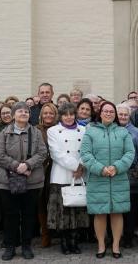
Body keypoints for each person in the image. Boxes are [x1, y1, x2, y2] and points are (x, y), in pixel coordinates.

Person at [81, 101, 136, 259]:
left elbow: (129, 153)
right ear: (100, 113)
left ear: (115, 115)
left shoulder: (123, 132)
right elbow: (85, 154)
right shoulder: (91, 132)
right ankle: (101, 245)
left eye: (112, 111)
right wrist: (100, 168)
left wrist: (116, 167)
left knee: (117, 212)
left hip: (118, 178)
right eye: (106, 111)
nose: (108, 114)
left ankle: (116, 245)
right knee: (100, 213)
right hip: (98, 178)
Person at [0, 101, 49, 260]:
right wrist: (16, 166)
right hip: (7, 180)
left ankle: (26, 245)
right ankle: (10, 246)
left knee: (28, 215)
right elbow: (0, 155)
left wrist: (27, 165)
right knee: (10, 215)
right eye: (20, 111)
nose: (24, 113)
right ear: (13, 115)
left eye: (26, 111)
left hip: (31, 181)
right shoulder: (4, 133)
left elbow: (42, 153)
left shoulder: (36, 133)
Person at [46, 102, 89, 255]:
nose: (69, 117)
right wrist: (75, 166)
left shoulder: (84, 130)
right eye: (66, 114)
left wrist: (81, 166)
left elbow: (87, 150)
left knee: (77, 210)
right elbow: (56, 153)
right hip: (61, 175)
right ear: (61, 116)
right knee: (63, 212)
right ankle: (64, 242)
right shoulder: (53, 131)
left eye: (71, 114)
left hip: (80, 175)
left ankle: (74, 241)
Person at [117, 103, 138, 248]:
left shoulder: (136, 132)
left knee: (130, 208)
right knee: (117, 208)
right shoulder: (111, 129)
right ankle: (116, 236)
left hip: (131, 175)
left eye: (125, 114)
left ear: (129, 116)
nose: (122, 117)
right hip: (113, 174)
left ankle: (128, 237)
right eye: (120, 114)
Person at [35, 102, 58, 247]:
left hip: (56, 169)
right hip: (41, 169)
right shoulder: (36, 130)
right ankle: (45, 233)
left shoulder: (59, 129)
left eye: (51, 113)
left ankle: (57, 231)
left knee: (55, 201)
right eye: (45, 113)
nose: (48, 115)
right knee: (41, 202)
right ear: (41, 115)